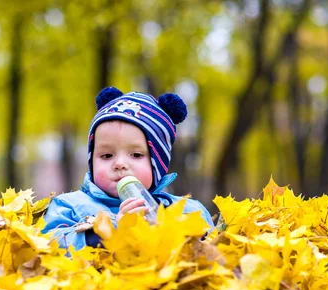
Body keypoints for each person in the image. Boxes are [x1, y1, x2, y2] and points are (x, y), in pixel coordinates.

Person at [42, 87, 214, 250]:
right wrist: (108, 234)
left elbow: (216, 249)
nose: (120, 164)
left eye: (136, 155)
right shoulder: (70, 206)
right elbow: (47, 243)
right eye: (107, 156)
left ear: (158, 165)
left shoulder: (188, 210)